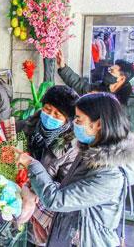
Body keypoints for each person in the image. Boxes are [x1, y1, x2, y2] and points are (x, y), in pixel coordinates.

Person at [17, 92, 134, 247]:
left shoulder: (111, 173)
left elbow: (57, 199)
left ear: (98, 124)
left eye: (78, 119)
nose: (74, 123)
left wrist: (31, 164)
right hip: (68, 232)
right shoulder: (89, 151)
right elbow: (69, 190)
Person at [15, 85, 79, 246]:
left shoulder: (71, 148)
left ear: (68, 119)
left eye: (57, 114)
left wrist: (34, 187)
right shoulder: (23, 128)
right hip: (13, 196)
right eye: (47, 109)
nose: (50, 116)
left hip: (41, 206)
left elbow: (63, 186)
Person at [56, 51, 134, 132]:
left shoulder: (130, 100)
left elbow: (130, 122)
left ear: (121, 78)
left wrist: (102, 101)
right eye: (109, 69)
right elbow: (80, 85)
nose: (107, 72)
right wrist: (63, 67)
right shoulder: (100, 87)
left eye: (111, 71)